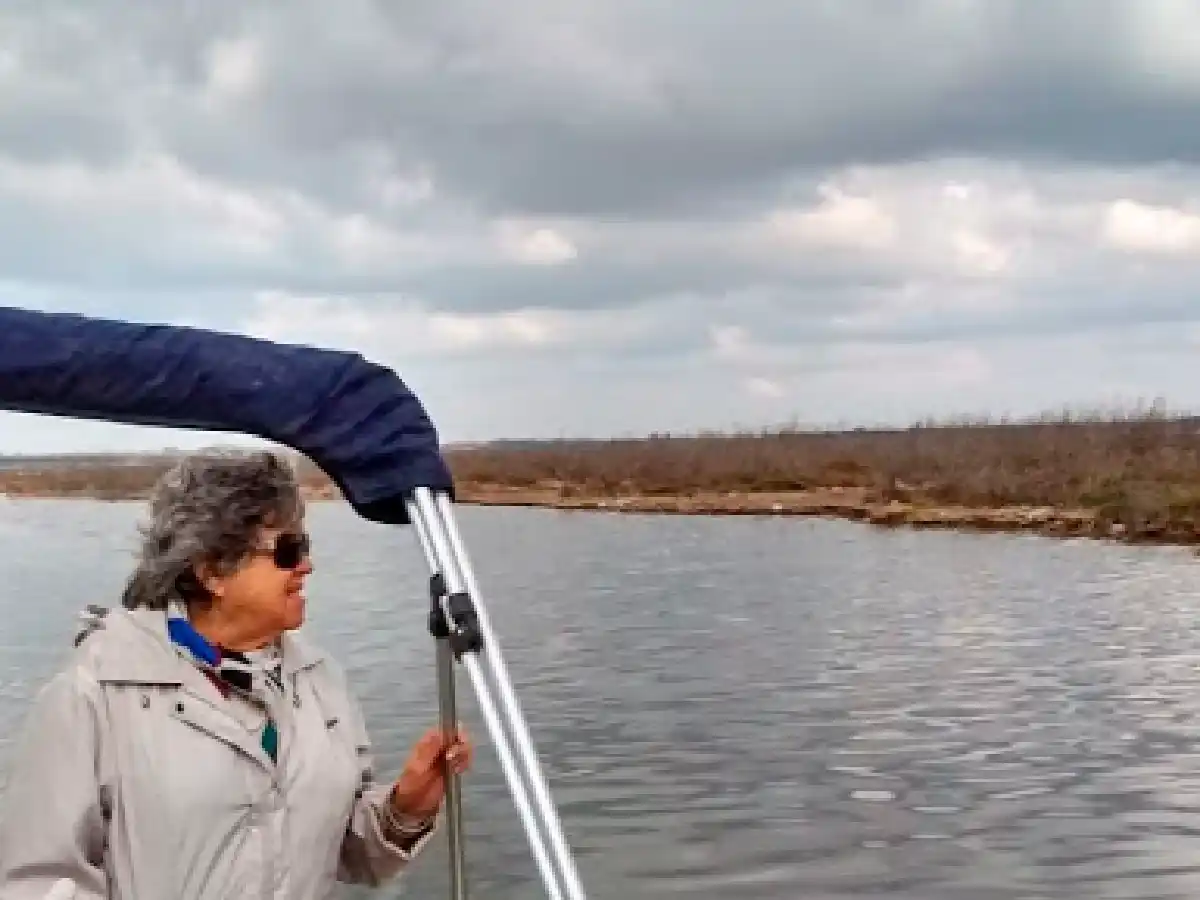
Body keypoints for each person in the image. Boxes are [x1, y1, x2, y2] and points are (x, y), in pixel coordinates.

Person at [0, 450, 472, 899]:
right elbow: (38, 880)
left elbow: (347, 852)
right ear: (212, 571)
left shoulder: (320, 679)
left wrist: (404, 810)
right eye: (288, 550)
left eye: (304, 545)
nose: (307, 565)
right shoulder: (94, 692)